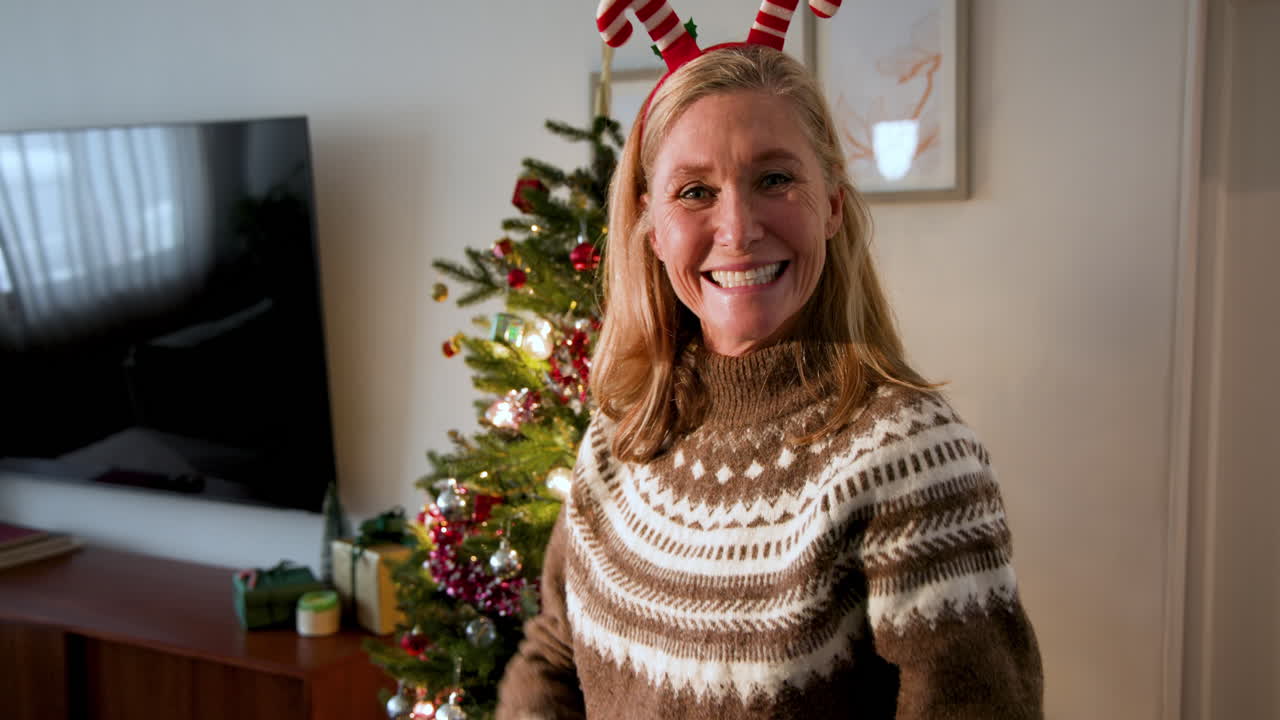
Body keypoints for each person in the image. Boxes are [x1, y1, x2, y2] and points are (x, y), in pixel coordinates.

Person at [497, 3, 1043, 718]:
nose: (739, 229)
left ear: (833, 206)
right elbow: (553, 656)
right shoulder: (622, 423)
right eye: (695, 191)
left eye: (775, 179)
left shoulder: (914, 458)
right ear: (650, 228)